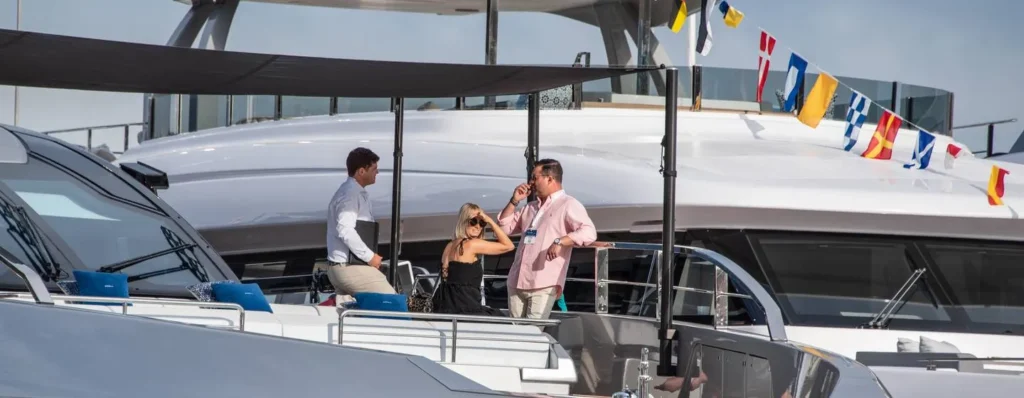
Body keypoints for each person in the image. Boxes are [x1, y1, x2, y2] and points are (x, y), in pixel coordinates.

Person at [498, 158, 596, 319]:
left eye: (534, 177)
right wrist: (514, 201)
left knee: (534, 331)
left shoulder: (568, 204)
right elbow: (503, 229)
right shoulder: (530, 207)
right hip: (517, 281)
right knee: (515, 332)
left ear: (549, 179)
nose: (531, 182)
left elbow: (589, 232)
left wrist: (560, 241)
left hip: (543, 283)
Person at [325, 147, 397, 299]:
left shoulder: (351, 192)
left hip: (342, 267)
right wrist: (370, 257)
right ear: (361, 171)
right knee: (392, 302)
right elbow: (345, 230)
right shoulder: (350, 195)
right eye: (374, 169)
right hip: (349, 267)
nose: (377, 172)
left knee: (358, 310)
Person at [431, 203, 515, 316]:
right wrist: (490, 221)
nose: (478, 226)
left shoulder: (449, 246)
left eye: (482, 223)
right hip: (465, 306)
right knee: (501, 318)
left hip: (443, 305)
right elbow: (509, 246)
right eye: (473, 221)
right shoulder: (472, 244)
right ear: (463, 221)